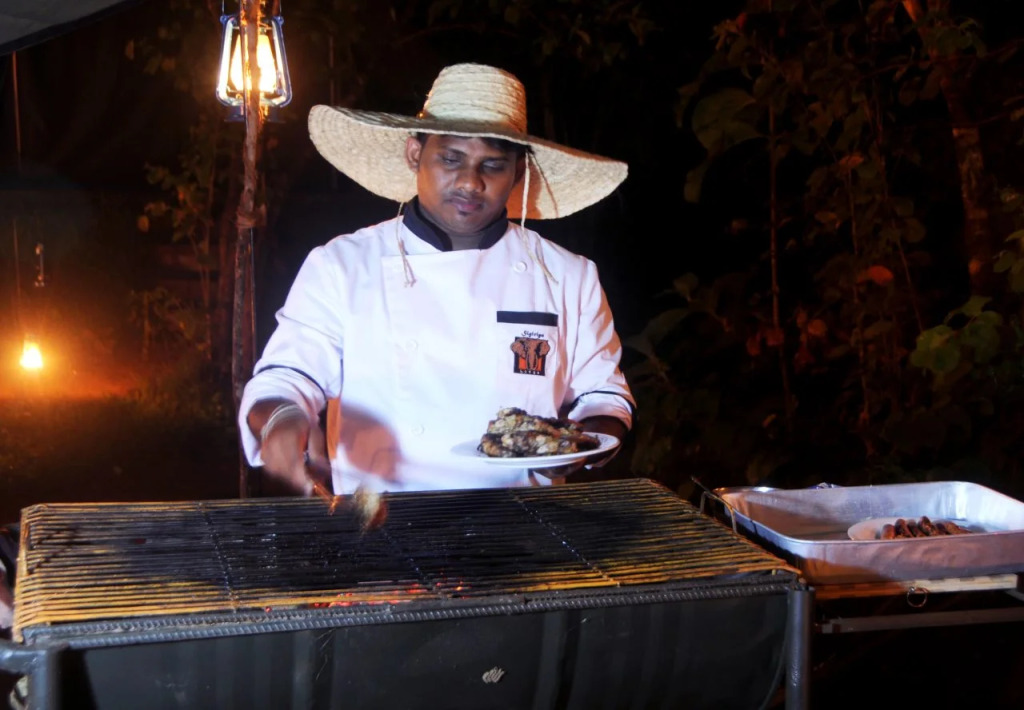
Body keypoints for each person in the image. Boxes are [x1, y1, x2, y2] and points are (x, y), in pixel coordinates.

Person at [239, 62, 635, 496]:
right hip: (383, 519)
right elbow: (285, 378)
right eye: (451, 158)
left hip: (524, 518)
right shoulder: (342, 265)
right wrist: (281, 419)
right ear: (415, 154)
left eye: (493, 165)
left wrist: (587, 442)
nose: (470, 182)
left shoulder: (568, 276)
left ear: (518, 172)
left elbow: (604, 395)